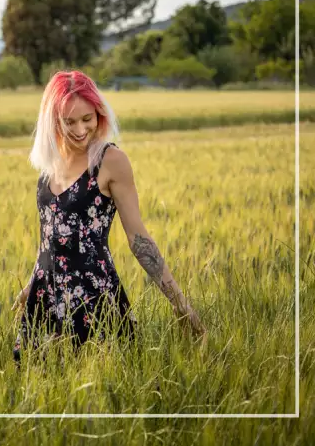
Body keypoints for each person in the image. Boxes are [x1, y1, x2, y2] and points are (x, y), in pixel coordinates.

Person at [11, 70, 207, 365]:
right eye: (69, 121)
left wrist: (181, 305)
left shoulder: (110, 161)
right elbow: (49, 240)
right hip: (45, 300)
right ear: (53, 120)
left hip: (93, 300)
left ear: (99, 115)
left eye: (87, 118)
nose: (80, 129)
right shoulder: (49, 165)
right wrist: (31, 285)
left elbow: (139, 239)